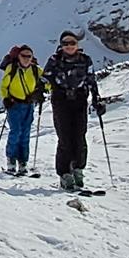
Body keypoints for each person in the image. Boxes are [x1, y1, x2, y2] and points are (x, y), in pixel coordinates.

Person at [43, 30, 104, 192]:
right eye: (65, 43)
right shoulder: (55, 60)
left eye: (72, 43)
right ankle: (64, 174)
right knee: (64, 137)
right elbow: (45, 78)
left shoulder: (85, 60)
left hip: (79, 100)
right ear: (61, 45)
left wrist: (96, 98)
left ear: (78, 44)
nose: (69, 46)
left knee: (79, 136)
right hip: (60, 101)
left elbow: (91, 80)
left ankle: (78, 169)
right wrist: (39, 91)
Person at [0, 44, 47, 174]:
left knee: (25, 133)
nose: (26, 58)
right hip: (14, 104)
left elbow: (47, 83)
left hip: (29, 105)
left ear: (32, 57)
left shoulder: (36, 70)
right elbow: (4, 86)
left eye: (29, 56)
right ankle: (12, 160)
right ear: (18, 56)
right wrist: (6, 98)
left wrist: (42, 91)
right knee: (16, 131)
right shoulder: (12, 68)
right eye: (23, 55)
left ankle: (22, 161)